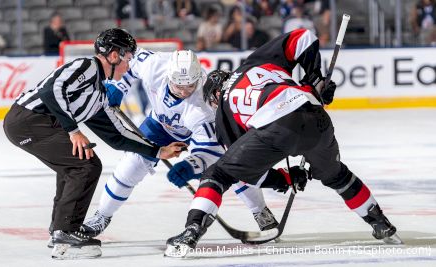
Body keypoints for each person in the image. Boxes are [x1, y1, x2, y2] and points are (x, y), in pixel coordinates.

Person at [165, 28, 400, 257]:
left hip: (277, 126)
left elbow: (246, 172)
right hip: (317, 119)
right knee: (337, 175)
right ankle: (382, 224)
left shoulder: (223, 110)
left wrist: (285, 179)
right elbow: (303, 37)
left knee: (217, 174)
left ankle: (191, 231)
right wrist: (315, 80)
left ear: (216, 94)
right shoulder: (255, 63)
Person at [3, 28, 185, 259]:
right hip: (28, 120)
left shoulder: (99, 96)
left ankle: (61, 229)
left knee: (79, 164)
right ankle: (65, 231)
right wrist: (74, 130)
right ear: (113, 55)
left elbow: (118, 136)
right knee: (84, 166)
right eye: (127, 59)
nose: (128, 66)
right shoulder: (87, 66)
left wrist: (158, 151)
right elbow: (52, 90)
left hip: (39, 124)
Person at [81, 49, 280, 238]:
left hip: (192, 131)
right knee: (130, 166)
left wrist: (190, 165)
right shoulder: (156, 65)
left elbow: (207, 151)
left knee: (230, 167)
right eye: (179, 86)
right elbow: (129, 60)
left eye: (190, 86)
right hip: (158, 125)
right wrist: (120, 86)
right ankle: (102, 215)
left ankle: (259, 210)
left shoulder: (202, 107)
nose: (184, 91)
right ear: (169, 77)